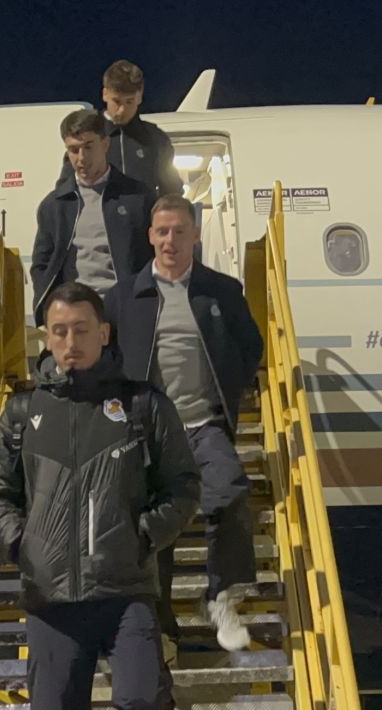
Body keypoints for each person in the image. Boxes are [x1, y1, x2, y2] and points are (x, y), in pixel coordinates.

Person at [0, 282, 201, 710]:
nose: (69, 341)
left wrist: (141, 535)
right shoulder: (24, 414)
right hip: (51, 602)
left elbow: (184, 487)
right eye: (58, 331)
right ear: (45, 338)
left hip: (125, 588)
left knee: (138, 695)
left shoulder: (141, 405)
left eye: (81, 329)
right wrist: (21, 544)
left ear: (104, 333)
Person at [107, 195, 264, 652]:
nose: (170, 240)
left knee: (231, 492)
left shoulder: (222, 290)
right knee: (158, 524)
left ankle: (220, 595)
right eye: (162, 231)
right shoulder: (123, 296)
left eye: (179, 231)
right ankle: (162, 623)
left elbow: (250, 346)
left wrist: (228, 389)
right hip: (150, 431)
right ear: (150, 237)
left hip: (202, 423)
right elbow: (110, 357)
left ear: (195, 234)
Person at [31, 109, 156, 323]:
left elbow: (154, 256)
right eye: (73, 150)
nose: (81, 158)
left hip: (127, 310)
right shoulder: (54, 206)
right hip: (76, 313)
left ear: (105, 144)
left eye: (89, 147)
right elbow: (41, 264)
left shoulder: (139, 197)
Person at [53, 59, 183, 199]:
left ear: (139, 96)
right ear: (105, 94)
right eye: (117, 101)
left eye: (129, 101)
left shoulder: (155, 139)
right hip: (96, 220)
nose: (122, 110)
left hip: (145, 220)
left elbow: (172, 192)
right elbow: (65, 193)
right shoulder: (86, 136)